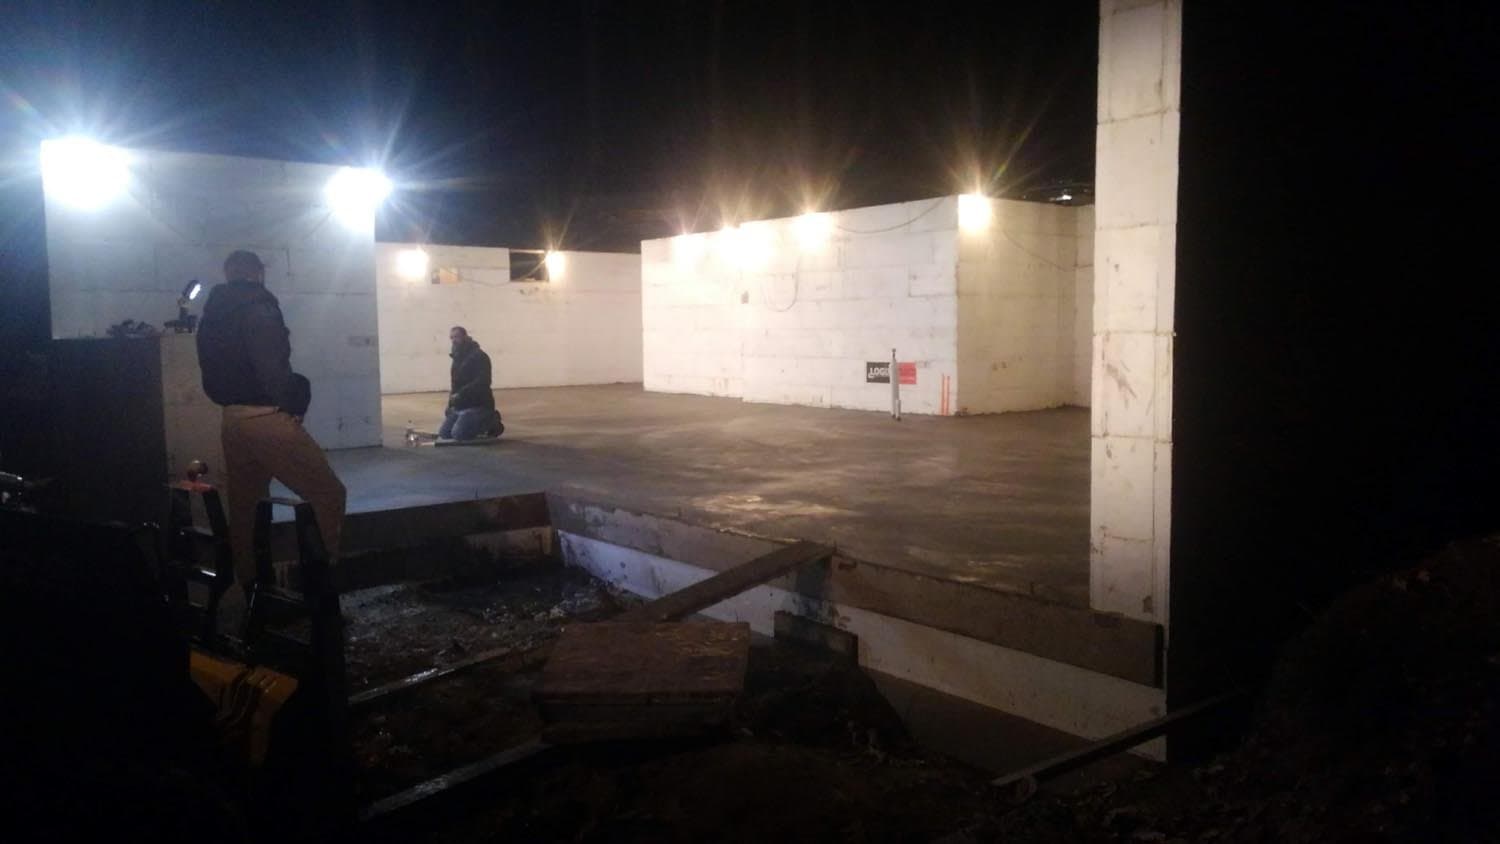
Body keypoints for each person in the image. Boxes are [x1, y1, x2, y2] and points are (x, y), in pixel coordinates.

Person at [196, 250, 346, 609]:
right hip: (266, 419)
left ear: (227, 273)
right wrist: (294, 402)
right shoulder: (258, 305)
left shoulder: (212, 313)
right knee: (328, 494)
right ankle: (320, 588)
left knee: (246, 507)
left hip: (231, 420)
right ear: (258, 273)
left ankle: (251, 592)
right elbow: (271, 365)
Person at [439, 326, 504, 440]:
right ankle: (469, 421)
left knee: (458, 434)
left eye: (457, 337)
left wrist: (461, 394)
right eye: (451, 338)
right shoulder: (456, 358)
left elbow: (483, 381)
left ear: (465, 337)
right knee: (444, 434)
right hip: (461, 406)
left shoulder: (479, 356)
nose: (454, 340)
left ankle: (492, 420)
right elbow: (455, 385)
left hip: (478, 405)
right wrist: (450, 404)